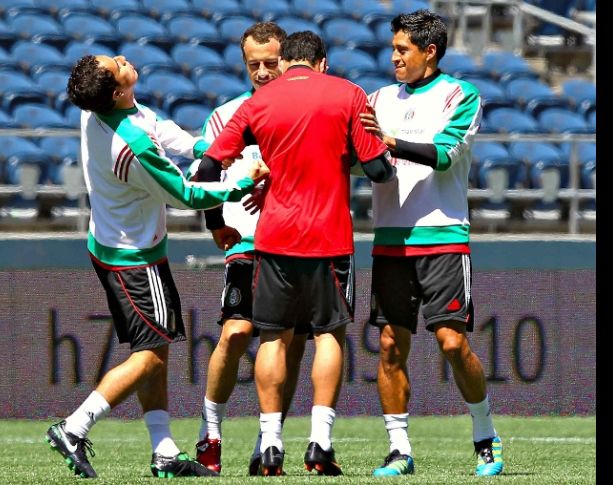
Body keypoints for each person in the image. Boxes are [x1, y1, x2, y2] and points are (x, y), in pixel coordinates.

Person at [44, 53, 269, 479]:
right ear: (117, 90)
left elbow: (165, 130)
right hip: (135, 258)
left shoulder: (105, 111)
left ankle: (164, 451)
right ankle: (75, 426)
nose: (123, 58)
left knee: (154, 349)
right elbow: (185, 195)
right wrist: (242, 181)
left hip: (115, 244)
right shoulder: (132, 143)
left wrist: (217, 148)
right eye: (117, 65)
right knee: (149, 357)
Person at [194, 31, 396, 477]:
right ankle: (319, 445)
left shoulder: (256, 104)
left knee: (272, 338)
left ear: (284, 61)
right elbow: (380, 171)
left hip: (273, 238)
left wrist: (237, 195)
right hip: (330, 237)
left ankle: (269, 446)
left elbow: (207, 167)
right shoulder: (350, 94)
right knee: (327, 335)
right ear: (322, 62)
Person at [358, 10, 504, 477]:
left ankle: (485, 433)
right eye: (393, 48)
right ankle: (399, 450)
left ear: (430, 52)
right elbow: (355, 155)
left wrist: (389, 141)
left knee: (452, 342)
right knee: (388, 346)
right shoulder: (376, 98)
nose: (394, 56)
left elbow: (443, 156)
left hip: (443, 238)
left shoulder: (461, 95)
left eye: (403, 49)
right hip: (389, 240)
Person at [188, 22, 309, 476]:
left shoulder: (306, 110)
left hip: (298, 239)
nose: (261, 72)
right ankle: (210, 431)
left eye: (270, 63)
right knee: (236, 333)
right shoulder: (226, 114)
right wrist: (215, 221)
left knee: (287, 343)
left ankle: (268, 437)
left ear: (287, 60)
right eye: (253, 64)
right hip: (247, 239)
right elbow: (206, 174)